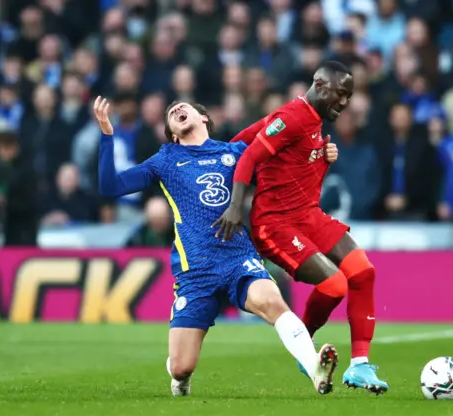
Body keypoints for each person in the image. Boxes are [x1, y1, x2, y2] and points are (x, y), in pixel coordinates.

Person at [93, 96, 340, 396]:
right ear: (172, 134)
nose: (177, 110)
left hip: (238, 259)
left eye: (184, 107)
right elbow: (110, 187)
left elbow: (287, 165)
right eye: (172, 112)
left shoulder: (235, 153)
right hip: (195, 272)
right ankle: (178, 378)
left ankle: (315, 369)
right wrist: (107, 134)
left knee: (273, 302)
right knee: (182, 365)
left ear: (204, 118)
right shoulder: (165, 160)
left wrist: (319, 155)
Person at [214, 61, 389, 394]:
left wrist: (321, 158)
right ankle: (305, 347)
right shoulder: (293, 117)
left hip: (308, 216)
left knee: (363, 273)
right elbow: (248, 156)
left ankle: (360, 366)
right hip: (275, 224)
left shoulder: (311, 121)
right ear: (320, 85)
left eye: (349, 97)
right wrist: (235, 207)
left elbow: (244, 142)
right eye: (341, 94)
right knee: (335, 286)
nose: (345, 103)